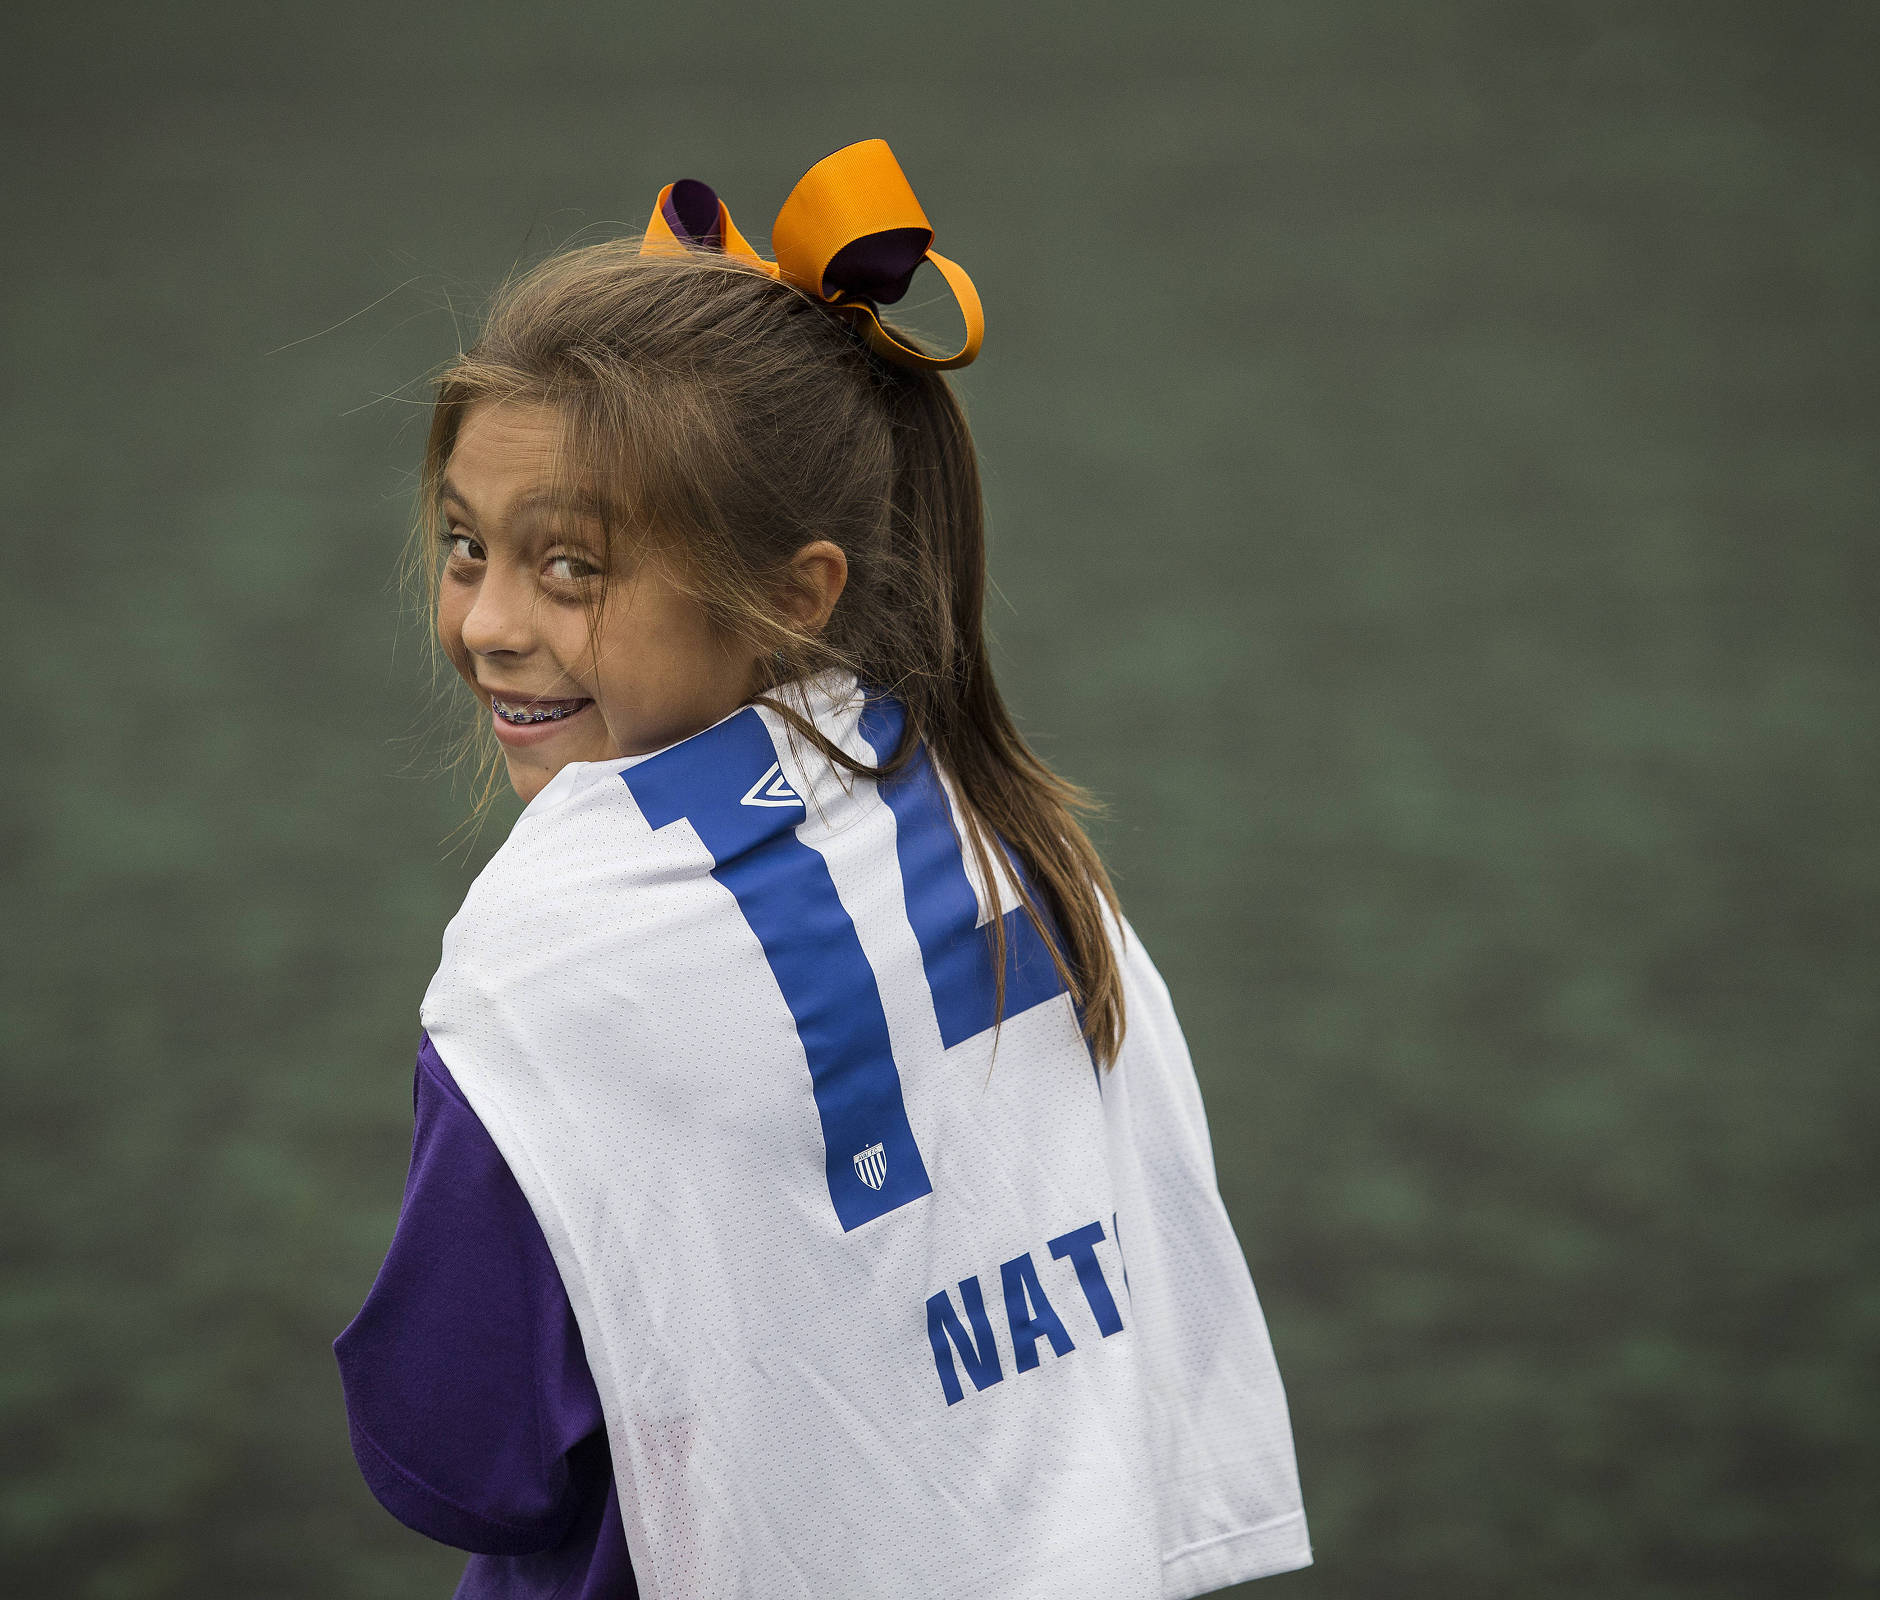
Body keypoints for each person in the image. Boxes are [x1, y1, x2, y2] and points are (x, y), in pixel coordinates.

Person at [333, 139, 1308, 1600]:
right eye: (468, 546)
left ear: (797, 596)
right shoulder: (1007, 826)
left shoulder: (548, 962)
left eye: (571, 568)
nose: (484, 623)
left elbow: (460, 1452)